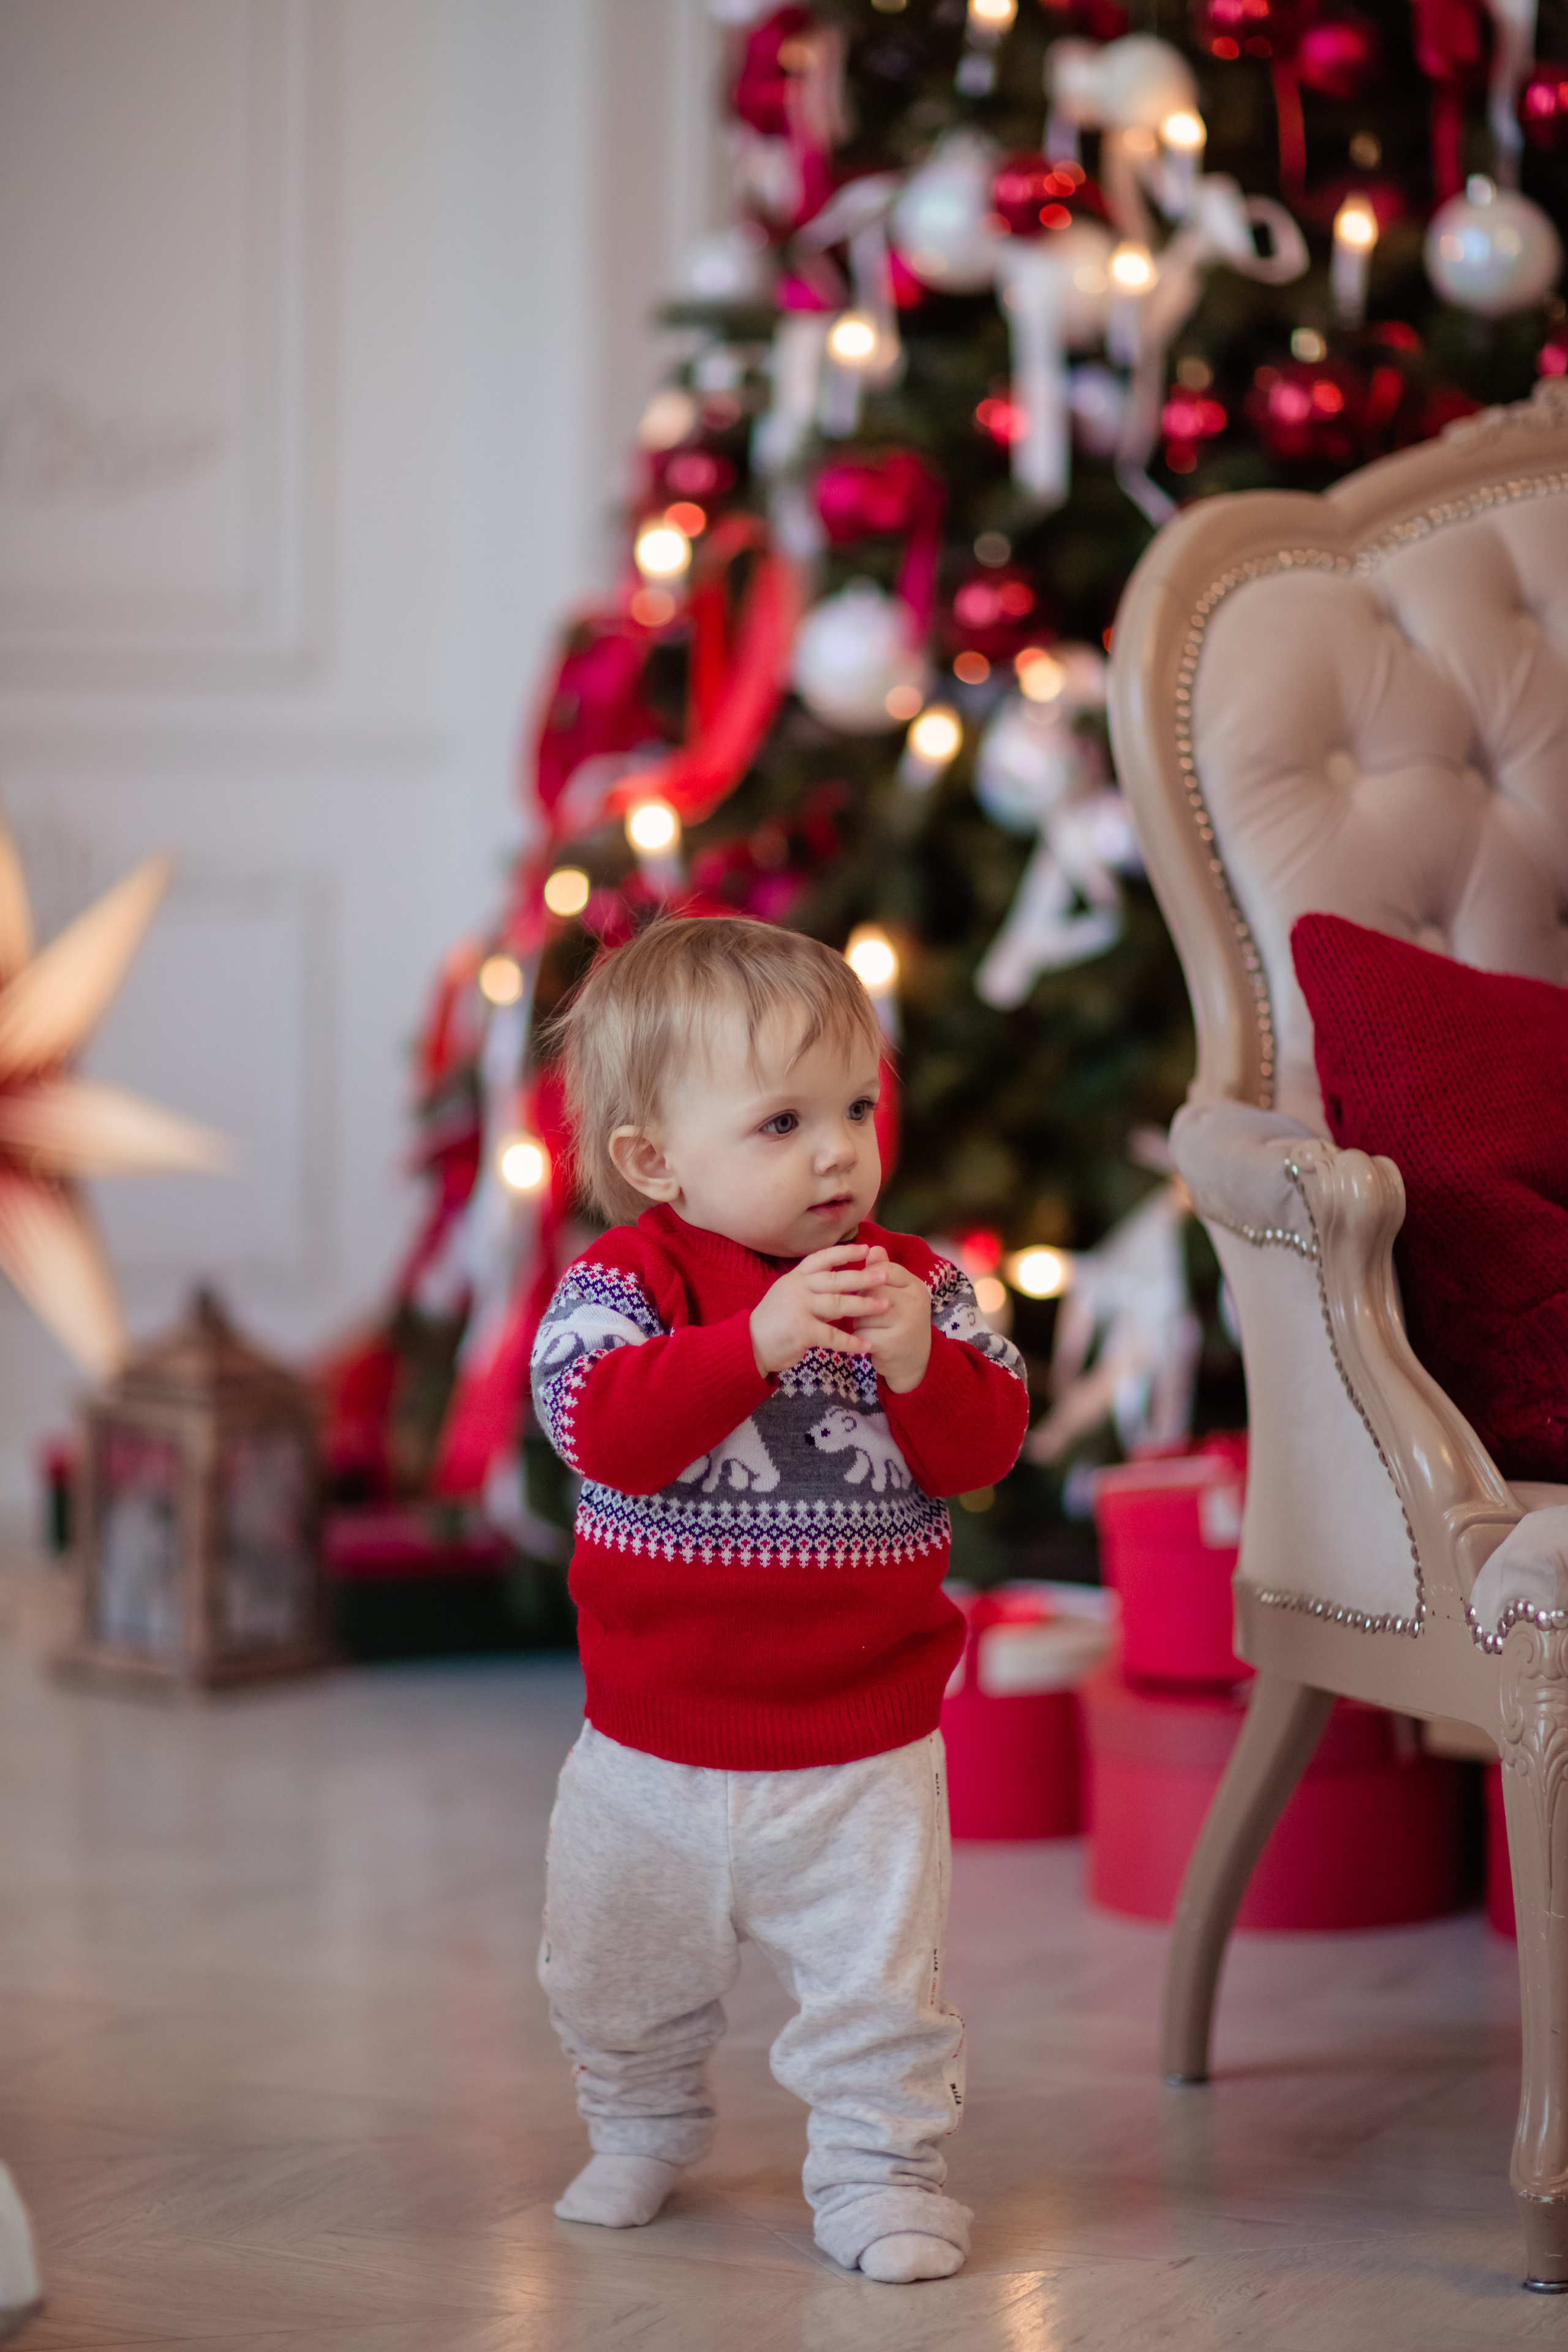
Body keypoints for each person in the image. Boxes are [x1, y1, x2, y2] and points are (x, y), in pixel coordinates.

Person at [530, 915, 1028, 2284]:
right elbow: (601, 1428)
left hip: (860, 1750)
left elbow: (983, 1450)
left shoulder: (915, 1283)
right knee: (613, 1973)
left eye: (857, 1108)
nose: (836, 1151)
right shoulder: (620, 1291)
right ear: (653, 1160)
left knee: (880, 1994)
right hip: (650, 1748)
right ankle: (637, 2121)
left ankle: (879, 2171)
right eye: (780, 1122)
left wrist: (926, 1361)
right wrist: (749, 1344)